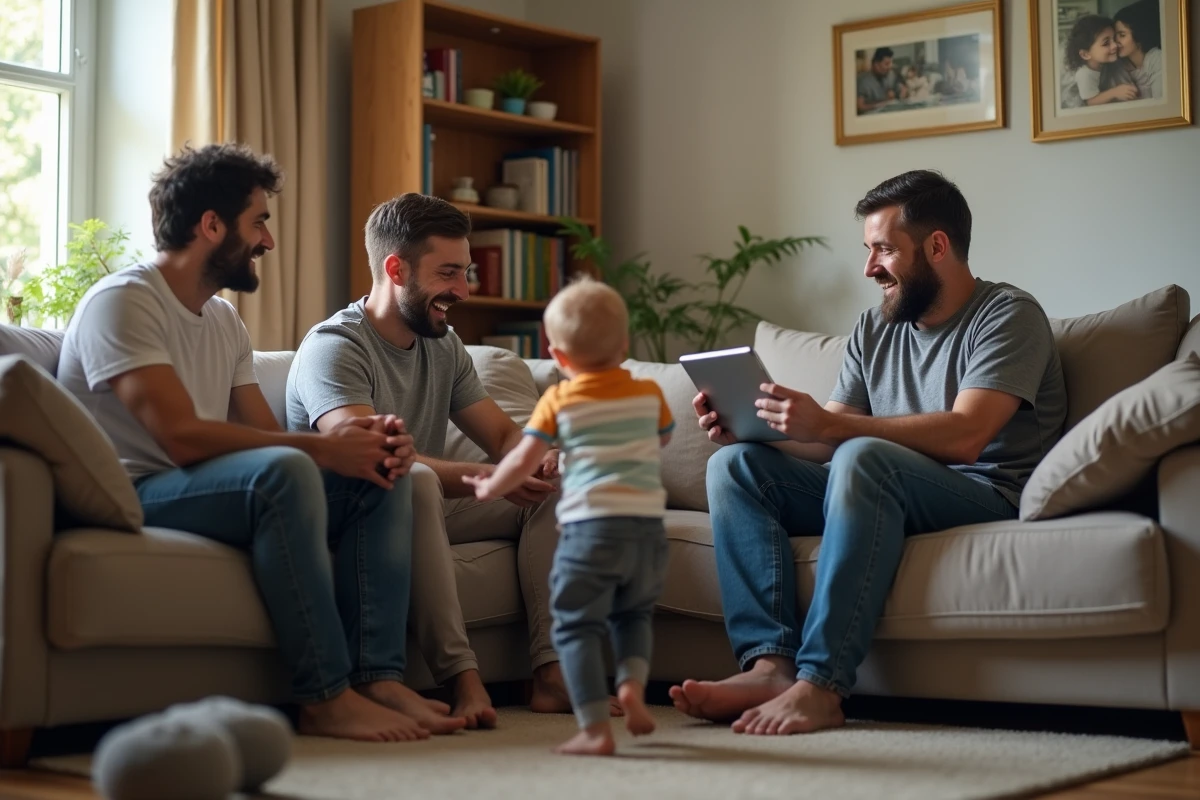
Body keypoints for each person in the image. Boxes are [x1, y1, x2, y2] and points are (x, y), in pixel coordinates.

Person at [56, 143, 459, 743]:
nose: (269, 240)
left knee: (380, 468)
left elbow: (268, 439)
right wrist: (322, 451)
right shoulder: (126, 301)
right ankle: (325, 698)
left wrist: (360, 445)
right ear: (211, 226)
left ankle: (376, 676)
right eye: (260, 221)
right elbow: (182, 437)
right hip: (127, 492)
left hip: (198, 487)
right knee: (284, 475)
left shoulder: (222, 319)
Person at [669, 169, 1067, 736]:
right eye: (868, 249)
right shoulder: (875, 327)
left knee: (862, 456)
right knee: (735, 468)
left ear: (937, 246)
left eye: (883, 249)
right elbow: (833, 432)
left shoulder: (1008, 315)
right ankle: (770, 666)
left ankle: (823, 684)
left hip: (982, 492)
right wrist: (760, 431)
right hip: (878, 482)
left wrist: (832, 426)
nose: (869, 267)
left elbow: (967, 434)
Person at [286, 193, 618, 724]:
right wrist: (495, 476)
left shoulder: (443, 344)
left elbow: (504, 436)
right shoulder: (335, 346)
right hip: (355, 511)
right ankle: (465, 680)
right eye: (447, 274)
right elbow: (373, 456)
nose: (462, 290)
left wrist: (545, 458)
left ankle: (553, 673)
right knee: (413, 479)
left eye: (464, 273)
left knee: (562, 481)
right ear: (395, 269)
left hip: (426, 501)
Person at [463, 278, 674, 756]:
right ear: (624, 345)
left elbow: (521, 458)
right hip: (646, 531)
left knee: (575, 627)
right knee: (633, 615)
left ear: (557, 356)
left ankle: (595, 728)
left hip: (590, 531)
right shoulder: (648, 394)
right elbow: (660, 439)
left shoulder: (559, 400)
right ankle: (634, 690)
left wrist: (491, 485)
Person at [1065, 15, 1139, 106]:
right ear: (1085, 54)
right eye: (1106, 43)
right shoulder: (1084, 74)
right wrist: (1115, 92)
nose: (1115, 45)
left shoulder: (1106, 63)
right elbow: (1090, 102)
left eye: (1114, 39)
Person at [1115, 0, 1163, 100]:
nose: (1116, 41)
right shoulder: (1119, 66)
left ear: (1139, 35)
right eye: (1115, 36)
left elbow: (1161, 102)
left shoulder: (1156, 58)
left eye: (1122, 35)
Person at [856, 47, 907, 113]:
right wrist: (881, 104)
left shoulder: (890, 74)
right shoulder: (863, 81)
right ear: (876, 64)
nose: (890, 67)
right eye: (887, 64)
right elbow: (860, 107)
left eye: (891, 63)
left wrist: (903, 92)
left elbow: (901, 91)